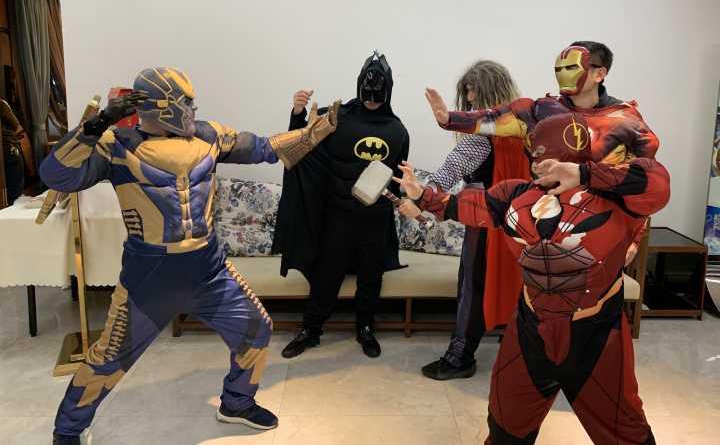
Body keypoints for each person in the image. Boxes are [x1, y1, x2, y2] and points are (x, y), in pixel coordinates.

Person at [42, 67, 339, 445]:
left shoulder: (209, 135)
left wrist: (317, 131)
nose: (192, 109)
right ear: (162, 106)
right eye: (185, 102)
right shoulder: (116, 144)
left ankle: (237, 403)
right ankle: (67, 430)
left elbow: (267, 148)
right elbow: (56, 176)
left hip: (208, 269)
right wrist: (95, 125)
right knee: (108, 359)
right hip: (148, 278)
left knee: (256, 331)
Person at [396, 112, 669, 445]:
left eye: (548, 156)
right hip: (530, 328)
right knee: (505, 427)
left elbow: (657, 181)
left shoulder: (620, 198)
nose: (540, 164)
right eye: (535, 154)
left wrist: (585, 174)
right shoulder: (516, 194)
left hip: (596, 333)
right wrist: (422, 196)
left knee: (626, 432)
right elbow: (468, 206)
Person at [425, 41, 661, 262]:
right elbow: (491, 119)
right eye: (559, 68)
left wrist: (634, 236)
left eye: (572, 67)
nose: (563, 74)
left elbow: (643, 182)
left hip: (600, 225)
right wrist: (449, 119)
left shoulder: (626, 120)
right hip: (541, 222)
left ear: (600, 73)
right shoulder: (540, 111)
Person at [273, 51, 410, 359]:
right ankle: (311, 330)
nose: (371, 101)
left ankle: (365, 328)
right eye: (368, 94)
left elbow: (399, 176)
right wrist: (297, 113)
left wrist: (406, 198)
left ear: (388, 91)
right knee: (327, 274)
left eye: (377, 95)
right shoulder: (337, 117)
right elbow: (301, 143)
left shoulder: (397, 130)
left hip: (375, 217)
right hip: (338, 215)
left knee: (371, 276)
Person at [400, 60, 530, 380]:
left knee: (473, 289)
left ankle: (460, 357)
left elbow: (449, 172)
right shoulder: (528, 126)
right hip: (524, 223)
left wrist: (422, 196)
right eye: (467, 92)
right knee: (520, 287)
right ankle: (519, 352)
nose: (469, 99)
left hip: (487, 223)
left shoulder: (482, 136)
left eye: (473, 92)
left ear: (489, 92)